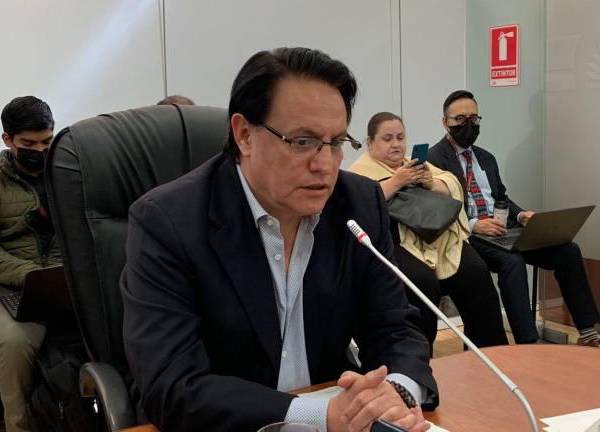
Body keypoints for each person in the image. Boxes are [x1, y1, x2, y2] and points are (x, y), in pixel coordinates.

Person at [123, 48, 438, 432]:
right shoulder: (167, 221)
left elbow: (394, 327)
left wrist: (396, 392)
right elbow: (172, 386)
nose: (324, 165)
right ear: (244, 135)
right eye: (303, 141)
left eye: (337, 142)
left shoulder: (358, 203)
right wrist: (320, 416)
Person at [428, 90, 600, 346]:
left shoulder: (485, 157)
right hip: (467, 235)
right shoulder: (434, 159)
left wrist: (521, 214)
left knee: (568, 251)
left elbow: (501, 198)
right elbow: (439, 209)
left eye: (474, 118)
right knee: (512, 262)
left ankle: (587, 331)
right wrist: (475, 225)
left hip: (503, 229)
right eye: (460, 119)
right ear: (445, 122)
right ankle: (528, 343)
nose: (468, 125)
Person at [349, 112, 507, 353]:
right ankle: (419, 358)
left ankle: (489, 352)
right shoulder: (358, 172)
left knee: (475, 270)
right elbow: (361, 203)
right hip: (394, 242)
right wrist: (396, 181)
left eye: (400, 137)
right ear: (370, 143)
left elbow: (451, 184)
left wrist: (430, 182)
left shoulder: (413, 163)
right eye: (387, 138)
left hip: (436, 236)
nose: (396, 144)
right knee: (421, 280)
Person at [0, 96, 61, 432]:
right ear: (8, 139)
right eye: (28, 144)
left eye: (47, 142)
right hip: (12, 288)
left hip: (66, 282)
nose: (39, 150)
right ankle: (18, 426)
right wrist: (28, 275)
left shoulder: (67, 171)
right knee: (15, 344)